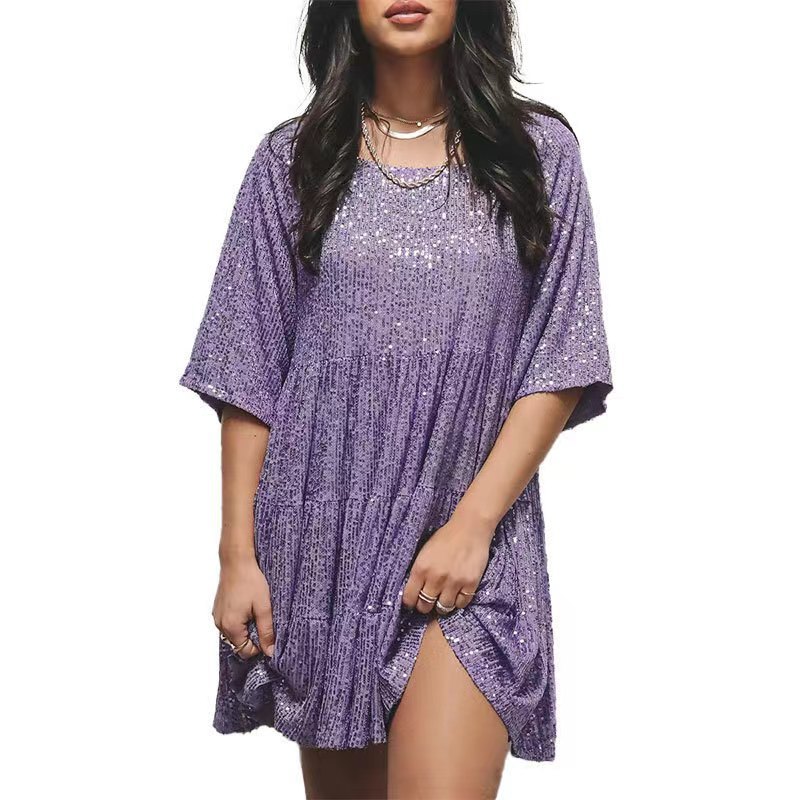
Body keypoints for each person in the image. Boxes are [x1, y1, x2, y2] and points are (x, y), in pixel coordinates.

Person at [178, 1, 613, 797]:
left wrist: (473, 526)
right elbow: (249, 371)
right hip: (325, 547)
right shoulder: (293, 161)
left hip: (472, 543)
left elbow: (560, 359)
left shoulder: (535, 153)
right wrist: (237, 557)